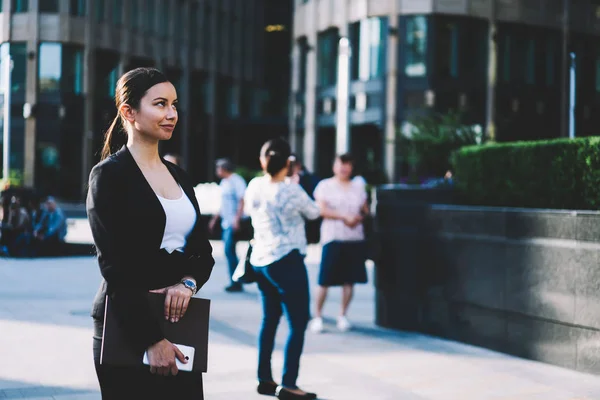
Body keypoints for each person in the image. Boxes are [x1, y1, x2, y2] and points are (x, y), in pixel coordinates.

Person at [86, 67, 215, 399]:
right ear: (129, 112)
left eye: (174, 105)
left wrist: (188, 283)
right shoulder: (109, 176)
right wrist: (151, 340)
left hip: (179, 324)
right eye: (160, 104)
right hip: (128, 325)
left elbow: (203, 253)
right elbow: (115, 267)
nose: (171, 114)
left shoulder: (180, 176)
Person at [244, 138, 320, 400]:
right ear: (288, 163)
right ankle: (289, 383)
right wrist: (296, 183)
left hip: (261, 261)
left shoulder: (254, 185)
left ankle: (264, 379)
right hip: (287, 260)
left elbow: (247, 213)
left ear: (263, 161)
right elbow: (313, 212)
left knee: (269, 320)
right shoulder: (291, 190)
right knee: (297, 323)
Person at [309, 154, 369, 334]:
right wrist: (344, 217)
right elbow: (321, 210)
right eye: (341, 164)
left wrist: (358, 218)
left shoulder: (358, 187)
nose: (344, 168)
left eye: (348, 164)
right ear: (334, 166)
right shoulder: (324, 186)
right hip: (332, 237)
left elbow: (366, 210)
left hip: (354, 238)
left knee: (349, 280)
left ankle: (342, 315)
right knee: (324, 279)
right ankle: (318, 316)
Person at [208, 158, 247, 292]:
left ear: (224, 169)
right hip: (226, 222)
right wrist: (215, 219)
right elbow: (222, 204)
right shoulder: (224, 183)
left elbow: (242, 200)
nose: (217, 171)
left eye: (218, 168)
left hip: (233, 222)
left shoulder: (237, 181)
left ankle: (237, 280)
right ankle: (235, 279)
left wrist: (237, 219)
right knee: (229, 251)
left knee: (229, 250)